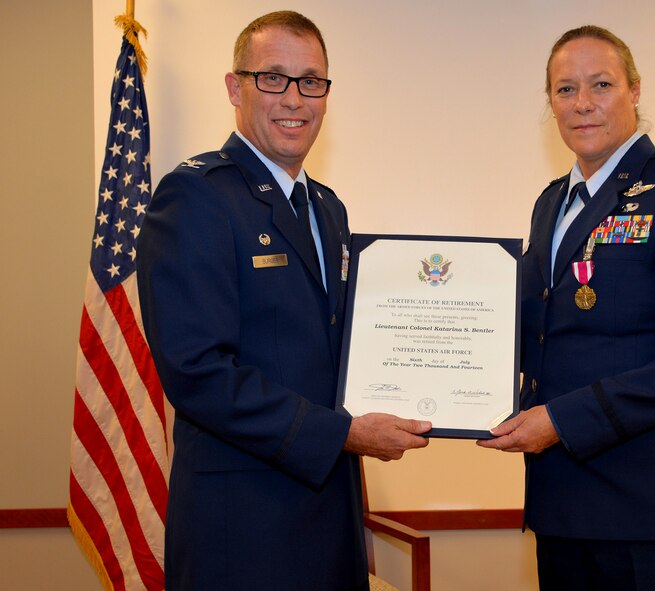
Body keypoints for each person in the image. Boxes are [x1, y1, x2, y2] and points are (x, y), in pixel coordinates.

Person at [136, 11, 431, 591]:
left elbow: (344, 342)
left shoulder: (326, 207)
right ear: (234, 87)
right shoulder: (196, 196)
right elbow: (198, 372)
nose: (294, 98)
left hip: (332, 515)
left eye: (312, 81)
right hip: (244, 524)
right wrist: (343, 435)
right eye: (273, 77)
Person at [478, 25, 655, 591]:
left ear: (635, 91)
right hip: (563, 501)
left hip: (654, 505)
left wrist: (563, 421)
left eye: (601, 84)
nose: (584, 103)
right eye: (565, 90)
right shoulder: (552, 203)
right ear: (551, 104)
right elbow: (535, 331)